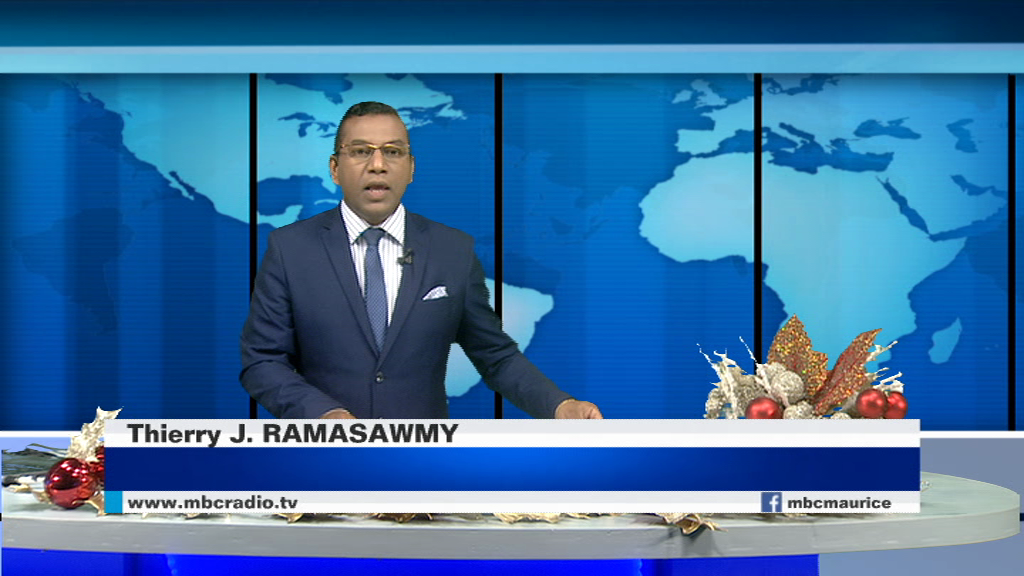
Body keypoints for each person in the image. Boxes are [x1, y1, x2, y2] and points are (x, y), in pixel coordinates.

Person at [240, 101, 602, 420]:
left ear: (411, 168)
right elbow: (262, 361)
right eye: (361, 151)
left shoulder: (452, 250)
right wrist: (323, 414)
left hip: (422, 460)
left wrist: (559, 405)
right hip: (323, 457)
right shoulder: (290, 249)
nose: (377, 165)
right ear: (335, 168)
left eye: (393, 152)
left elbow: (495, 355)